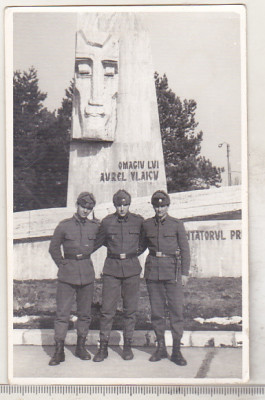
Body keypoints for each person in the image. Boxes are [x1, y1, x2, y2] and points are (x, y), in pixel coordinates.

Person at [140, 190, 190, 366]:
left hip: (172, 271)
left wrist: (184, 273)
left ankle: (176, 350)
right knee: (157, 312)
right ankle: (160, 348)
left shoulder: (176, 224)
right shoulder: (147, 225)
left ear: (168, 206)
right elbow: (140, 246)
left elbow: (185, 250)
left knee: (176, 311)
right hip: (153, 271)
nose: (159, 209)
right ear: (153, 206)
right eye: (157, 206)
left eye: (163, 206)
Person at [92, 189, 143, 362]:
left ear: (129, 205)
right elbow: (97, 243)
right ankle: (103, 347)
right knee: (107, 310)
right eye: (119, 205)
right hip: (112, 269)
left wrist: (132, 254)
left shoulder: (138, 222)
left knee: (130, 310)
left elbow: (143, 242)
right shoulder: (107, 222)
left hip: (131, 269)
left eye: (125, 205)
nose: (122, 208)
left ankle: (127, 346)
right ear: (115, 206)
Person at [48, 192, 99, 366]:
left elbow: (99, 242)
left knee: (85, 313)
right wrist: (62, 265)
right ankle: (59, 350)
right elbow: (53, 248)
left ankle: (81, 347)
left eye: (89, 208)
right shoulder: (64, 226)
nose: (85, 210)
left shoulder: (95, 227)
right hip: (67, 274)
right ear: (77, 205)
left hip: (86, 272)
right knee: (63, 313)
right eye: (83, 206)